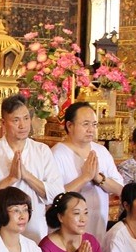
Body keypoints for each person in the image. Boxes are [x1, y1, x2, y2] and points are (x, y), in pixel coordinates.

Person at [0, 93, 63, 243]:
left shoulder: (42, 151)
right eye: (16, 120)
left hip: (34, 231)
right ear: (3, 123)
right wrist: (10, 179)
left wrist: (27, 176)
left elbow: (57, 195)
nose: (23, 125)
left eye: (26, 118)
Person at [51, 102, 123, 243]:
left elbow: (120, 189)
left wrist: (98, 178)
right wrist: (84, 178)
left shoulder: (101, 151)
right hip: (68, 233)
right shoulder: (57, 154)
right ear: (69, 126)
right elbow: (54, 197)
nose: (91, 129)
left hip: (98, 224)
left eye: (94, 124)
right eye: (85, 124)